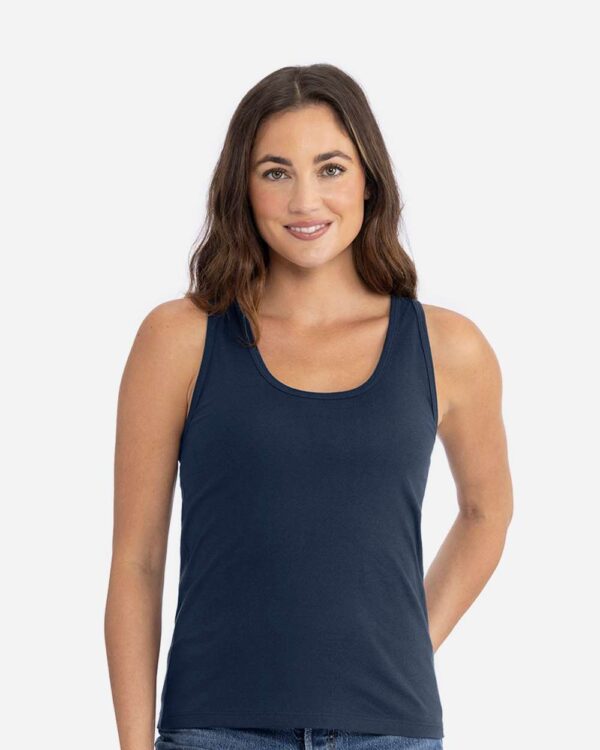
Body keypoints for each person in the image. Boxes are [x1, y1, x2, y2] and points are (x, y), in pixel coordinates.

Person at [105, 64, 513, 750]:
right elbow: (136, 562)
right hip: (215, 731)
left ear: (368, 180)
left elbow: (486, 514)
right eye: (275, 172)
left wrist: (407, 644)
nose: (304, 200)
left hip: (390, 732)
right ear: (241, 187)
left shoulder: (449, 347)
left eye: (330, 168)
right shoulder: (178, 339)